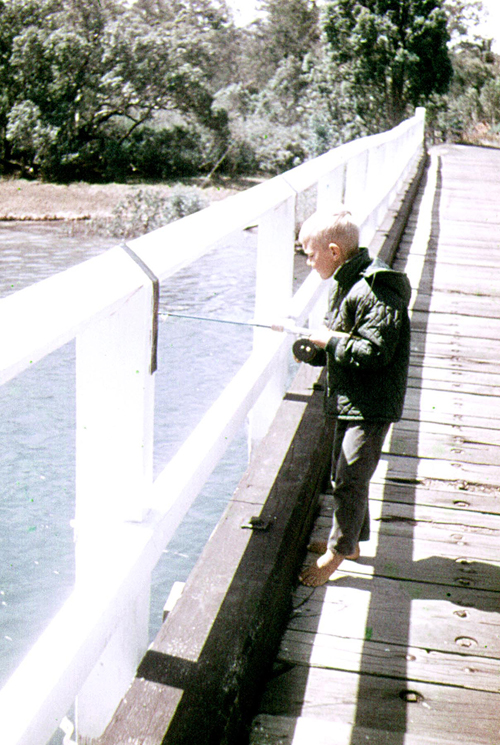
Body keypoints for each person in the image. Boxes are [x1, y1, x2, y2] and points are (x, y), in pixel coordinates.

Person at [296, 207, 411, 587]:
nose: (308, 262)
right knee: (345, 471)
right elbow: (342, 336)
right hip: (352, 395)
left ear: (333, 250)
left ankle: (338, 553)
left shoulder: (375, 289)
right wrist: (318, 346)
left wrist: (332, 341)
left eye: (309, 254)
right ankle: (352, 543)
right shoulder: (346, 281)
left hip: (371, 401)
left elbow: (376, 352)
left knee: (349, 476)